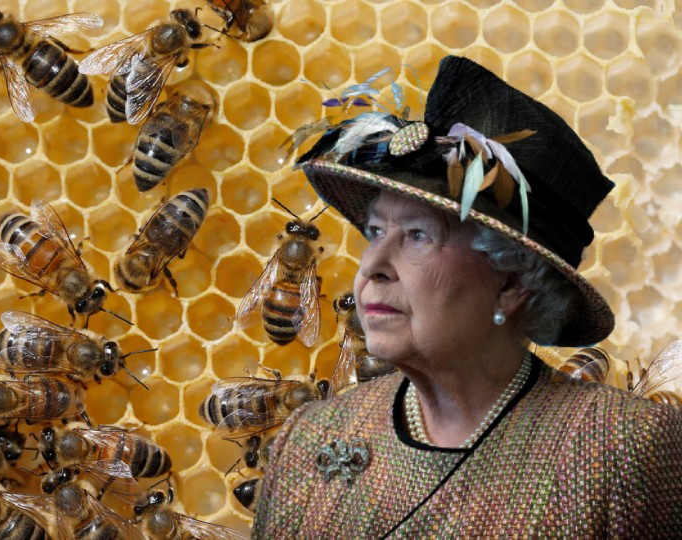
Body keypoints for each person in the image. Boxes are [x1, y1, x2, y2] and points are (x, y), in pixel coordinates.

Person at [251, 55, 682, 537]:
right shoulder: (307, 439)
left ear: (512, 283)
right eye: (375, 232)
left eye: (418, 235)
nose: (371, 267)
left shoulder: (621, 447)